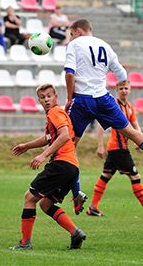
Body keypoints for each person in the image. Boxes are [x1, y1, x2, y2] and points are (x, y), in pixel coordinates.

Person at [64, 19, 143, 214]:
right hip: (104, 99)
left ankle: (76, 193)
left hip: (82, 100)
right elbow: (122, 74)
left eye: (71, 34)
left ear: (78, 31)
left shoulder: (74, 44)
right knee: (132, 133)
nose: (71, 37)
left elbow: (69, 73)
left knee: (68, 147)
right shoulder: (105, 45)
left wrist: (69, 97)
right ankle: (78, 195)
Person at [10, 84, 86, 250]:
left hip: (61, 164)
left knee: (29, 198)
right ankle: (76, 233)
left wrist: (44, 155)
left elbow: (64, 135)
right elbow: (49, 137)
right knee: (45, 204)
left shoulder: (55, 112)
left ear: (55, 97)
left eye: (49, 96)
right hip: (71, 167)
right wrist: (27, 146)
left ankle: (25, 243)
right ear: (39, 100)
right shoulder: (56, 114)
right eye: (42, 97)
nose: (46, 100)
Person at [87, 81, 143, 216]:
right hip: (118, 148)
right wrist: (100, 145)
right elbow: (101, 126)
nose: (124, 91)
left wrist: (138, 140)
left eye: (126, 88)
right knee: (135, 176)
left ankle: (93, 207)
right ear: (117, 89)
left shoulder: (130, 107)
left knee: (106, 175)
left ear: (130, 90)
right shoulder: (113, 106)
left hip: (119, 148)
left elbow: (136, 126)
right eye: (121, 88)